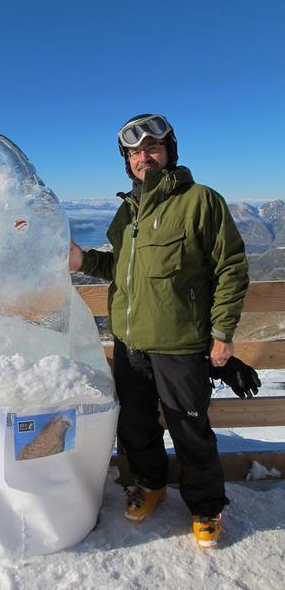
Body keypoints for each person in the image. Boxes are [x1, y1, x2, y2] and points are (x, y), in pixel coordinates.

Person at [69, 113, 249, 549]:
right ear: (127, 162)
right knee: (134, 426)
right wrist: (82, 262)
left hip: (180, 345)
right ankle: (151, 485)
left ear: (169, 152)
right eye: (134, 153)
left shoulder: (201, 201)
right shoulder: (127, 211)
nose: (143, 157)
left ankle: (206, 508)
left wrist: (222, 333)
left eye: (152, 149)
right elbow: (121, 267)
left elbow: (231, 268)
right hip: (130, 343)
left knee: (190, 430)